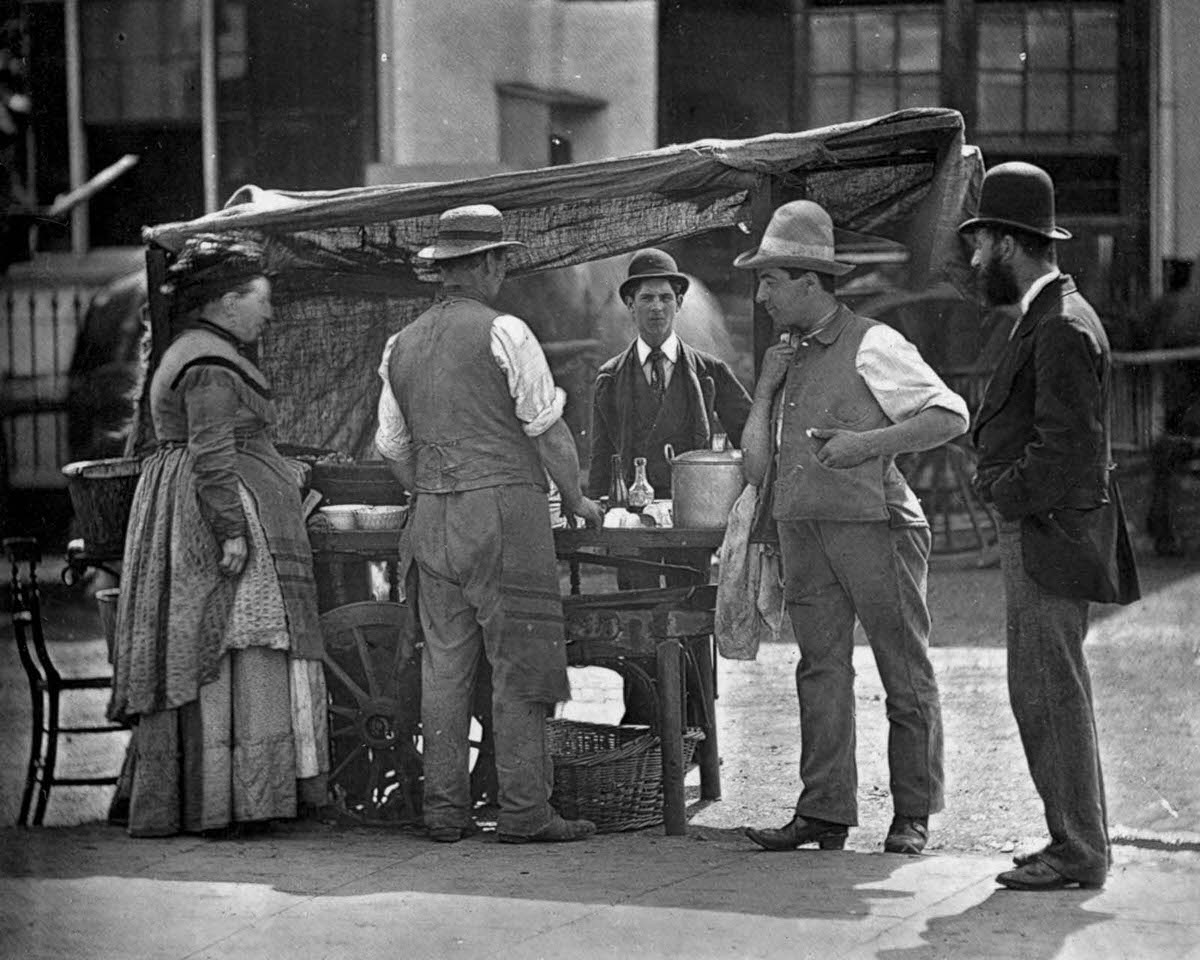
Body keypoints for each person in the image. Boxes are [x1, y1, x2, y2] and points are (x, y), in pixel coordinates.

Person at [735, 200, 969, 855]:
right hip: (804, 529)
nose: (760, 295)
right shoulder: (784, 356)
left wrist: (866, 445)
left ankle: (912, 813)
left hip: (876, 527)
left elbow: (950, 417)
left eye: (770, 281)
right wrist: (764, 389)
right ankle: (824, 811)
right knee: (820, 670)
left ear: (810, 282)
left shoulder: (876, 342)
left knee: (904, 670)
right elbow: (757, 467)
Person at [375, 203, 604, 844]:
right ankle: (526, 813)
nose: (504, 268)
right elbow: (549, 432)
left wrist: (435, 487)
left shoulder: (402, 344)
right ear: (481, 264)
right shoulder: (507, 331)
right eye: (500, 258)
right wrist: (579, 499)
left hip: (432, 518)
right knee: (519, 664)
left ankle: (444, 813)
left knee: (444, 667)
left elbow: (392, 448)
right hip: (503, 515)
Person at [108, 235, 329, 838]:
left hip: (201, 504)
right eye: (260, 300)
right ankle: (230, 804)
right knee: (232, 642)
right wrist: (231, 532)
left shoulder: (200, 349)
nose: (269, 313)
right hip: (211, 515)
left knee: (220, 644)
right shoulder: (208, 361)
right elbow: (211, 454)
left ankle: (223, 798)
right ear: (229, 301)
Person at [960, 162, 1140, 891]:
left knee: (1046, 690)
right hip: (1050, 531)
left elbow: (1064, 453)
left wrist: (1001, 491)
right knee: (1047, 688)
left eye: (980, 246)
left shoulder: (1060, 326)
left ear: (1009, 243)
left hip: (1046, 533)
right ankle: (1077, 838)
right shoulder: (1054, 314)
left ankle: (1077, 846)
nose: (974, 262)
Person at [588, 248, 752, 586]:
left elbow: (750, 436)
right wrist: (600, 516)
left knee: (691, 610)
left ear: (679, 303)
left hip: (692, 521)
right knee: (638, 611)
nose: (657, 308)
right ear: (630, 305)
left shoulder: (710, 372)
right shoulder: (610, 377)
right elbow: (601, 456)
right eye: (646, 298)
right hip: (633, 528)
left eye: (666, 297)